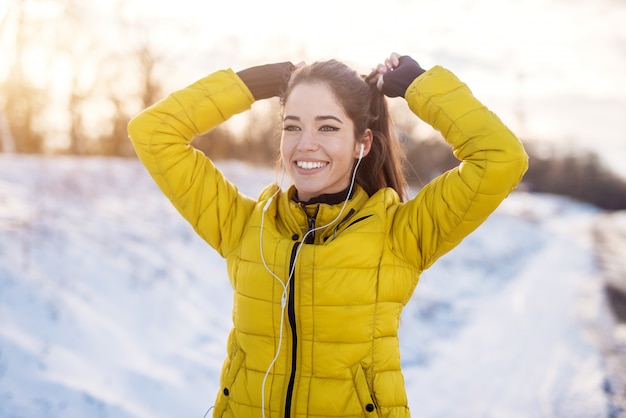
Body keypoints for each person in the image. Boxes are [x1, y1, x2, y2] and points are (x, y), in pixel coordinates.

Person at [127, 52, 528, 418]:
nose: (306, 145)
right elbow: (153, 132)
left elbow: (501, 157)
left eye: (328, 127)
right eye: (292, 126)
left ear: (362, 143)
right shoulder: (244, 226)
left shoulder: (401, 235)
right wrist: (251, 84)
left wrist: (419, 86)